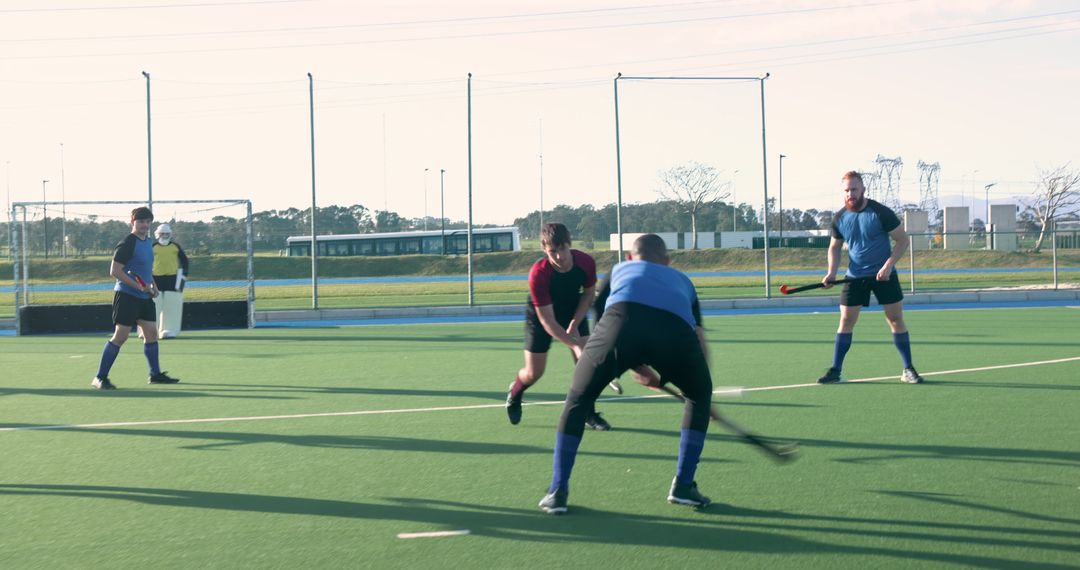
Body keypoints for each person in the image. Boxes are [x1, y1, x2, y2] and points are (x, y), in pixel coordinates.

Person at [539, 234, 714, 514]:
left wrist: (632, 362)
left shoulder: (620, 269)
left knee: (577, 400)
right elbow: (699, 339)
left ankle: (557, 491)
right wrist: (700, 393)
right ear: (668, 262)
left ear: (631, 258)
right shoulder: (684, 281)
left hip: (616, 327)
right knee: (699, 396)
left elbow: (603, 316)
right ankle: (683, 485)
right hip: (674, 335)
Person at [505, 222, 618, 431]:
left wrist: (575, 322)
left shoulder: (585, 262)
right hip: (541, 315)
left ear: (569, 244)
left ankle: (588, 413)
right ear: (544, 250)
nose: (559, 256)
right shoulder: (539, 273)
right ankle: (515, 393)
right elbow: (547, 321)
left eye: (562, 249)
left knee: (585, 368)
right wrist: (574, 344)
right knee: (534, 372)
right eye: (552, 251)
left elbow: (587, 293)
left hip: (573, 308)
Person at [817, 170, 924, 385]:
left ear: (863, 189)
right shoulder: (840, 218)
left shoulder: (880, 212)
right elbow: (834, 248)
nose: (850, 194)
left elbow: (902, 240)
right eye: (846, 190)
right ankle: (836, 370)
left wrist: (888, 266)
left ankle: (908, 369)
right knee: (846, 321)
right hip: (854, 277)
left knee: (895, 320)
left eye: (854, 189)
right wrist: (831, 272)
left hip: (884, 276)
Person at [91, 207, 180, 390]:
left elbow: (146, 270)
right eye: (141, 222)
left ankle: (155, 374)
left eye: (147, 222)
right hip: (126, 296)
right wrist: (138, 286)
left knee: (151, 334)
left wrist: (153, 287)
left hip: (144, 297)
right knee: (120, 337)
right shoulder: (127, 243)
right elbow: (115, 271)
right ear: (133, 222)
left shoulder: (148, 242)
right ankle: (100, 378)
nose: (144, 225)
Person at [152, 223, 190, 339]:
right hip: (155, 279)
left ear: (170, 235)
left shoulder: (175, 246)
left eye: (167, 234)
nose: (164, 236)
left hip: (172, 278)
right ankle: (149, 330)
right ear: (157, 235)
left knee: (171, 305)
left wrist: (182, 277)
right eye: (162, 233)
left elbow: (185, 262)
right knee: (153, 304)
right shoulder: (152, 246)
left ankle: (169, 330)